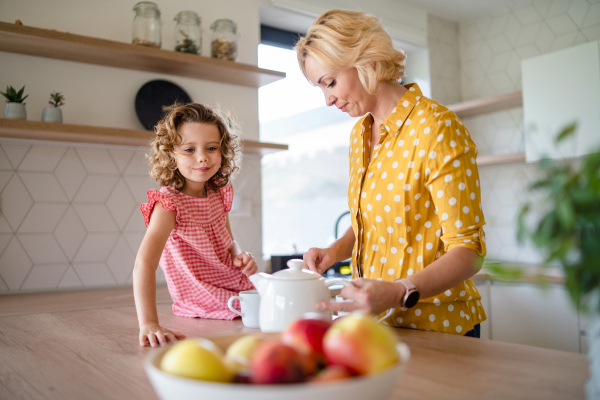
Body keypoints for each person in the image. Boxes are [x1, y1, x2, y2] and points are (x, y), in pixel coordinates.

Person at [296, 9, 487, 337]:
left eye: (330, 82)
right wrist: (335, 251)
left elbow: (469, 252)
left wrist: (399, 291)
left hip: (438, 326)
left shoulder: (435, 127)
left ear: (365, 60)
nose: (327, 100)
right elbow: (370, 221)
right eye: (320, 88)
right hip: (378, 327)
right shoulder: (360, 134)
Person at [133, 103, 257, 347]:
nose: (202, 157)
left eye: (211, 148)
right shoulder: (169, 204)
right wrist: (148, 323)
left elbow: (229, 244)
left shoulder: (218, 193)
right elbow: (144, 263)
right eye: (189, 149)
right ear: (171, 155)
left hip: (231, 283)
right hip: (200, 297)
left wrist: (241, 257)